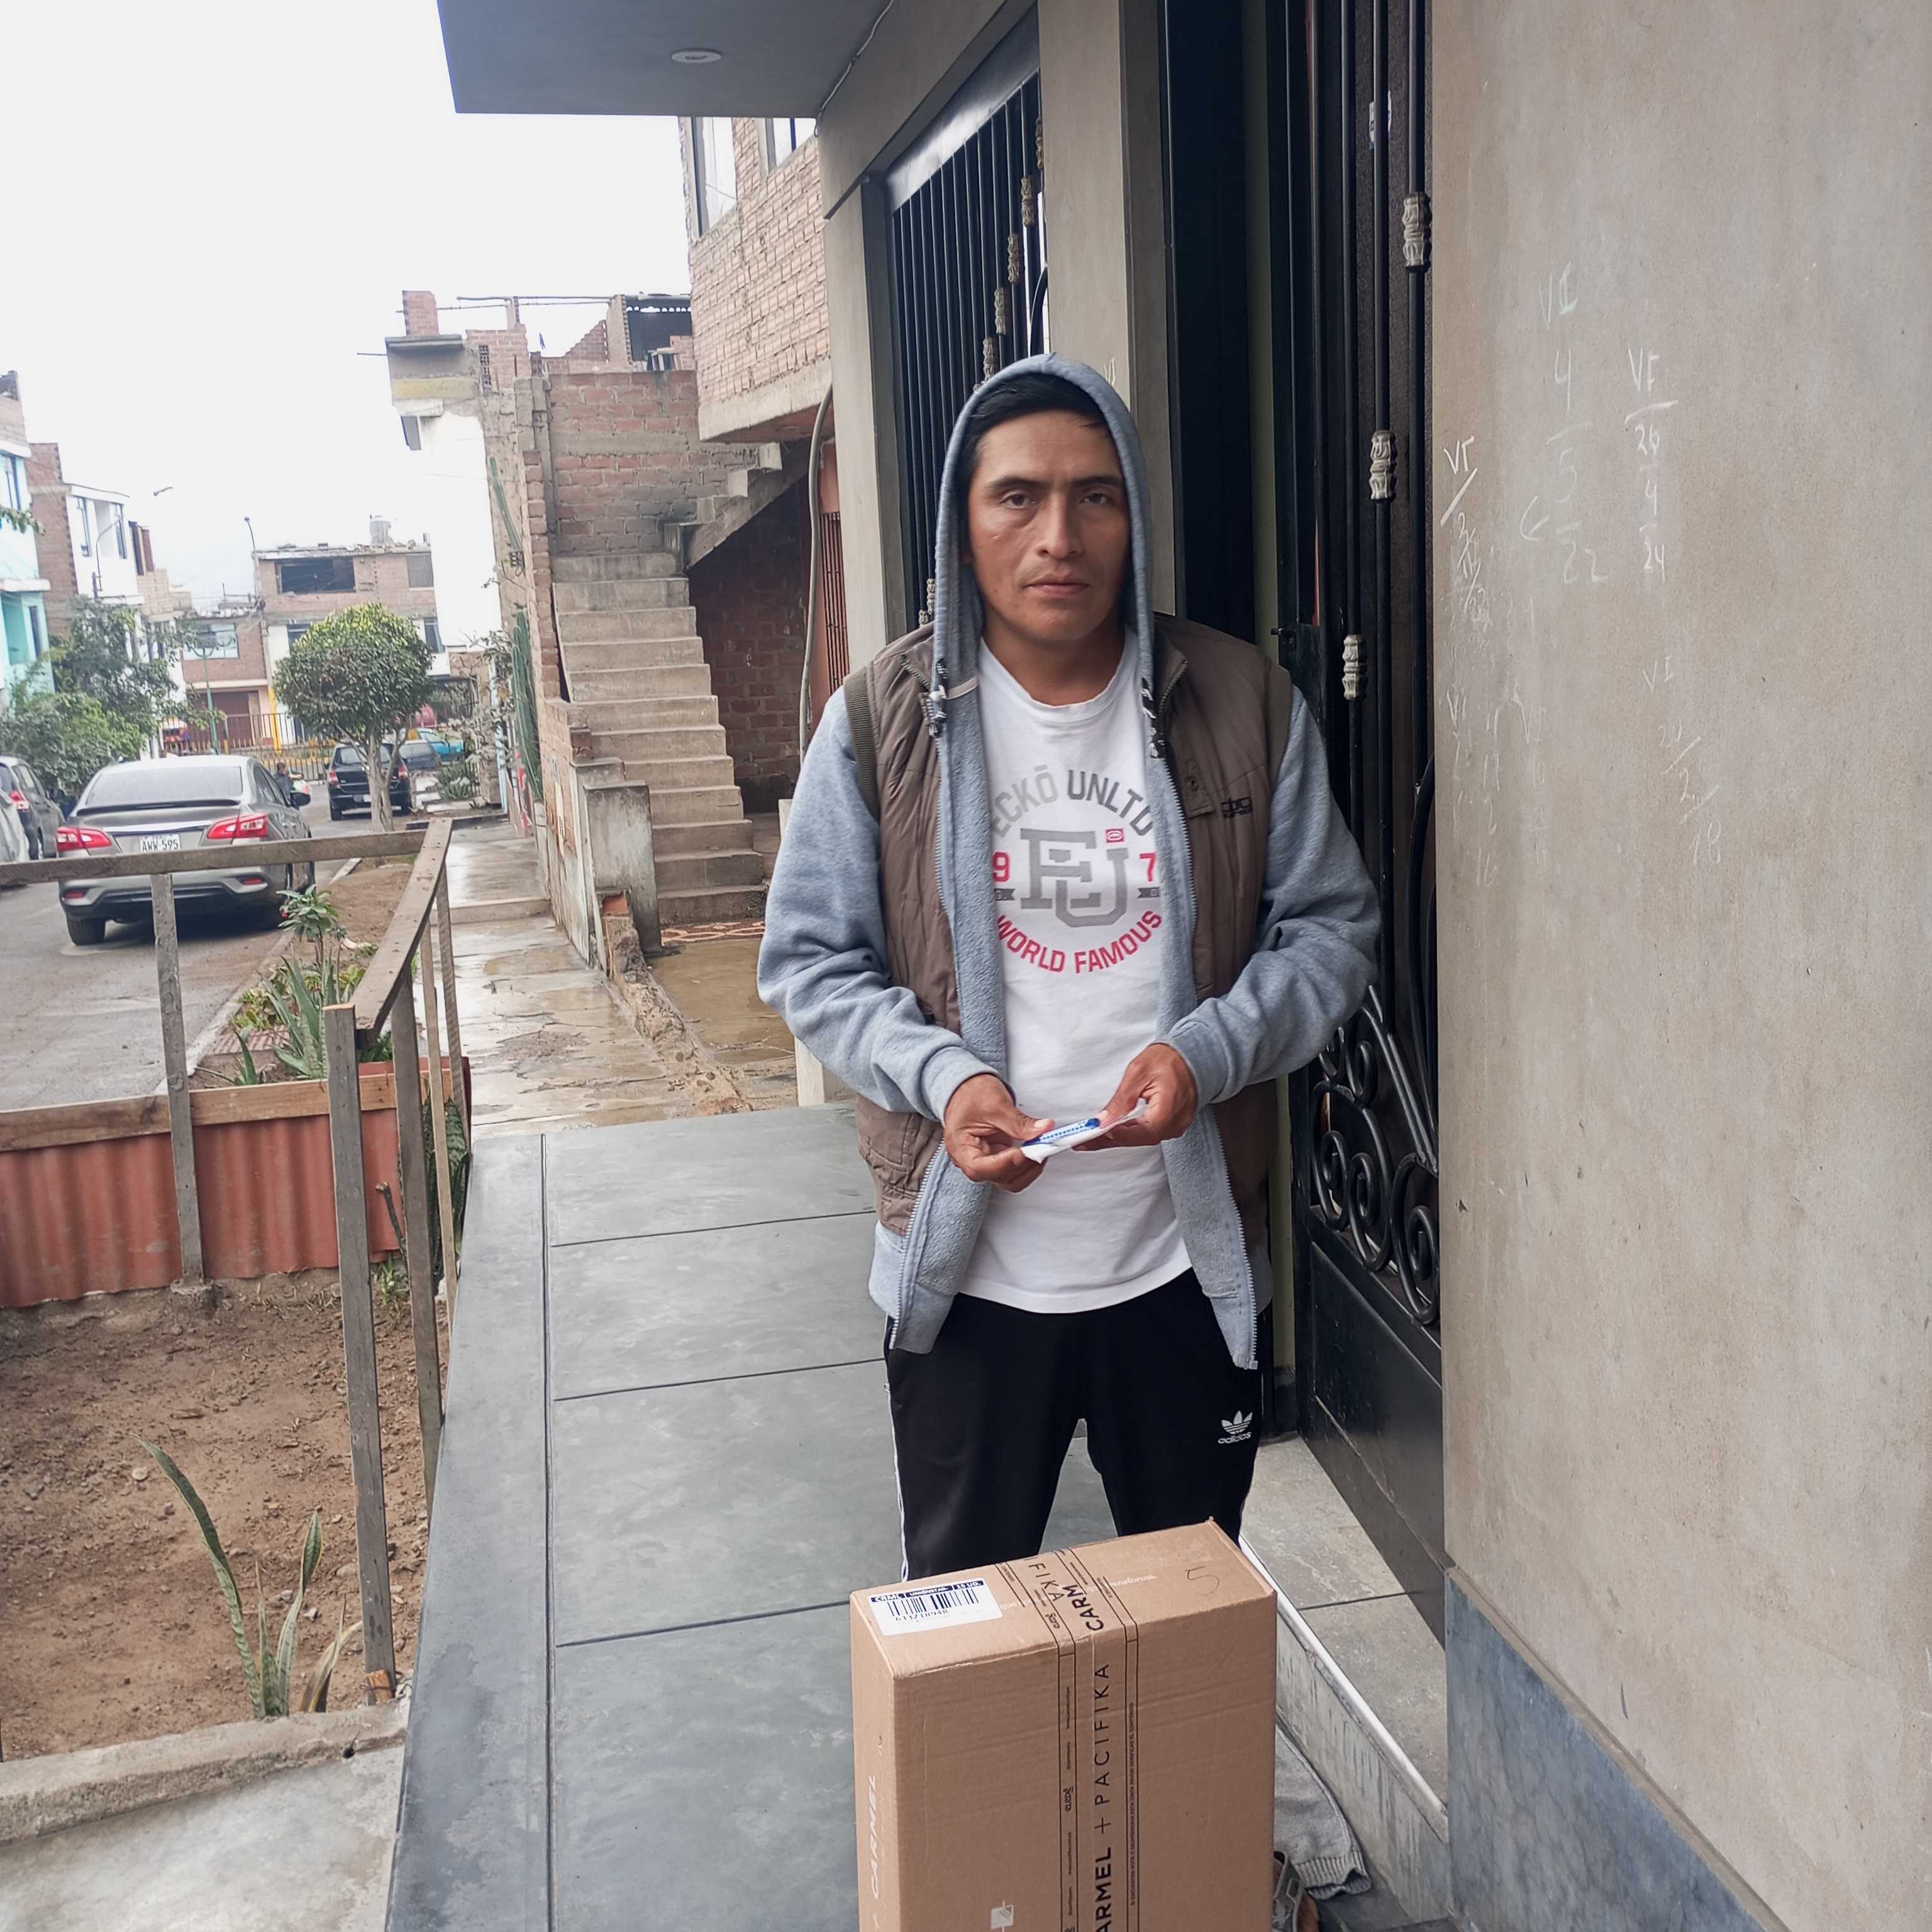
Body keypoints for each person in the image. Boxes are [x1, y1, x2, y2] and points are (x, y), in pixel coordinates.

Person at [758, 357, 1379, 1580]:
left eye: (1096, 496)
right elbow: (812, 962)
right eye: (1018, 497)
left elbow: (1329, 931)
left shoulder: (1241, 700)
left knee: (1184, 1620)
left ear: (1134, 514)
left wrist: (1208, 1054)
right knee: (967, 1634)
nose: (1059, 535)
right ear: (964, 520)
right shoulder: (881, 720)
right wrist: (945, 1079)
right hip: (970, 1280)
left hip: (1178, 1269)